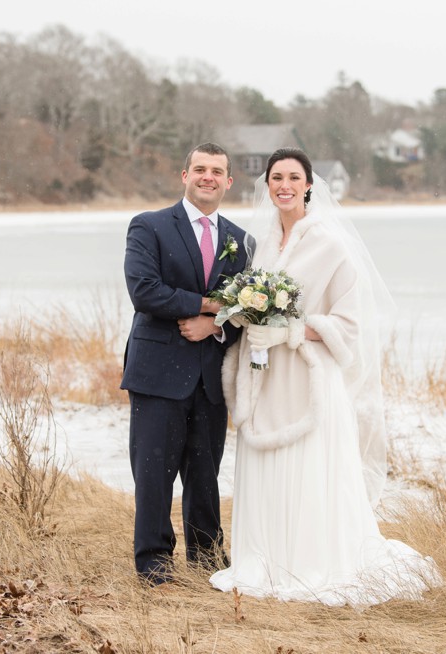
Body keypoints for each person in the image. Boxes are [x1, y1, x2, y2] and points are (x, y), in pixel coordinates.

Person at [209, 148, 437, 605]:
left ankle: (313, 560)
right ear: (267, 184)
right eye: (277, 177)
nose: (285, 185)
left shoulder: (332, 245)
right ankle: (266, 558)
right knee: (267, 465)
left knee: (311, 470)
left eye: (294, 177)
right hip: (267, 378)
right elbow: (240, 306)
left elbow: (349, 325)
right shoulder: (257, 246)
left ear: (310, 184)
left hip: (311, 379)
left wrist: (292, 330)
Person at [121, 143, 252, 585]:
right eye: (200, 169)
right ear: (184, 175)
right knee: (154, 473)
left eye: (217, 171)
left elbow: (248, 313)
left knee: (205, 474)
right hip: (157, 372)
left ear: (229, 181)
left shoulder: (242, 241)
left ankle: (207, 558)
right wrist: (206, 306)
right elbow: (144, 290)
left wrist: (214, 327)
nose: (208, 177)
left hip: (210, 377)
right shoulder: (149, 226)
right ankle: (154, 563)